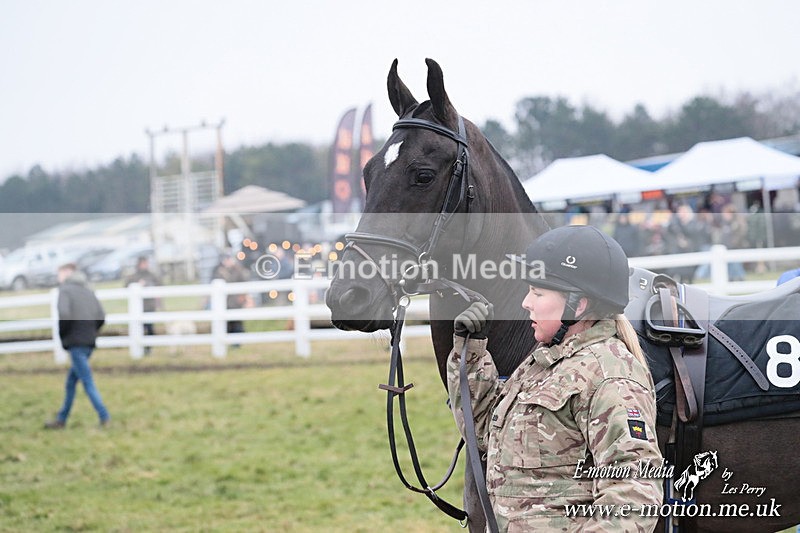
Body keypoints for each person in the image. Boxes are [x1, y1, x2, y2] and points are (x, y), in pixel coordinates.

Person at [447, 225, 663, 531]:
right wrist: (470, 354)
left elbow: (634, 493)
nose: (526, 302)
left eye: (537, 292)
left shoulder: (610, 376)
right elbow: (484, 432)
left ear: (580, 304)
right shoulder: (546, 362)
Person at [45, 263, 110, 429]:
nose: (58, 277)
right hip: (88, 342)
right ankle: (61, 419)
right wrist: (90, 331)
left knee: (87, 381)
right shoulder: (88, 290)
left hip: (75, 343)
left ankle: (104, 416)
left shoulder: (65, 291)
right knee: (71, 382)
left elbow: (64, 314)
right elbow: (101, 316)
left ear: (67, 273)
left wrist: (64, 336)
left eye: (59, 273)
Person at [125, 255, 161, 354]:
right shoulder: (133, 276)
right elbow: (126, 286)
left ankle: (148, 348)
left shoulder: (151, 275)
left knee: (150, 327)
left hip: (149, 305)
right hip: (139, 307)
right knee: (139, 327)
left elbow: (159, 286)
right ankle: (140, 348)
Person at [212, 252, 250, 335]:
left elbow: (243, 283)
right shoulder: (219, 271)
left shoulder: (238, 270)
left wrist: (243, 297)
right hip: (225, 301)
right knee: (226, 322)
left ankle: (237, 341)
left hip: (236, 301)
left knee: (237, 321)